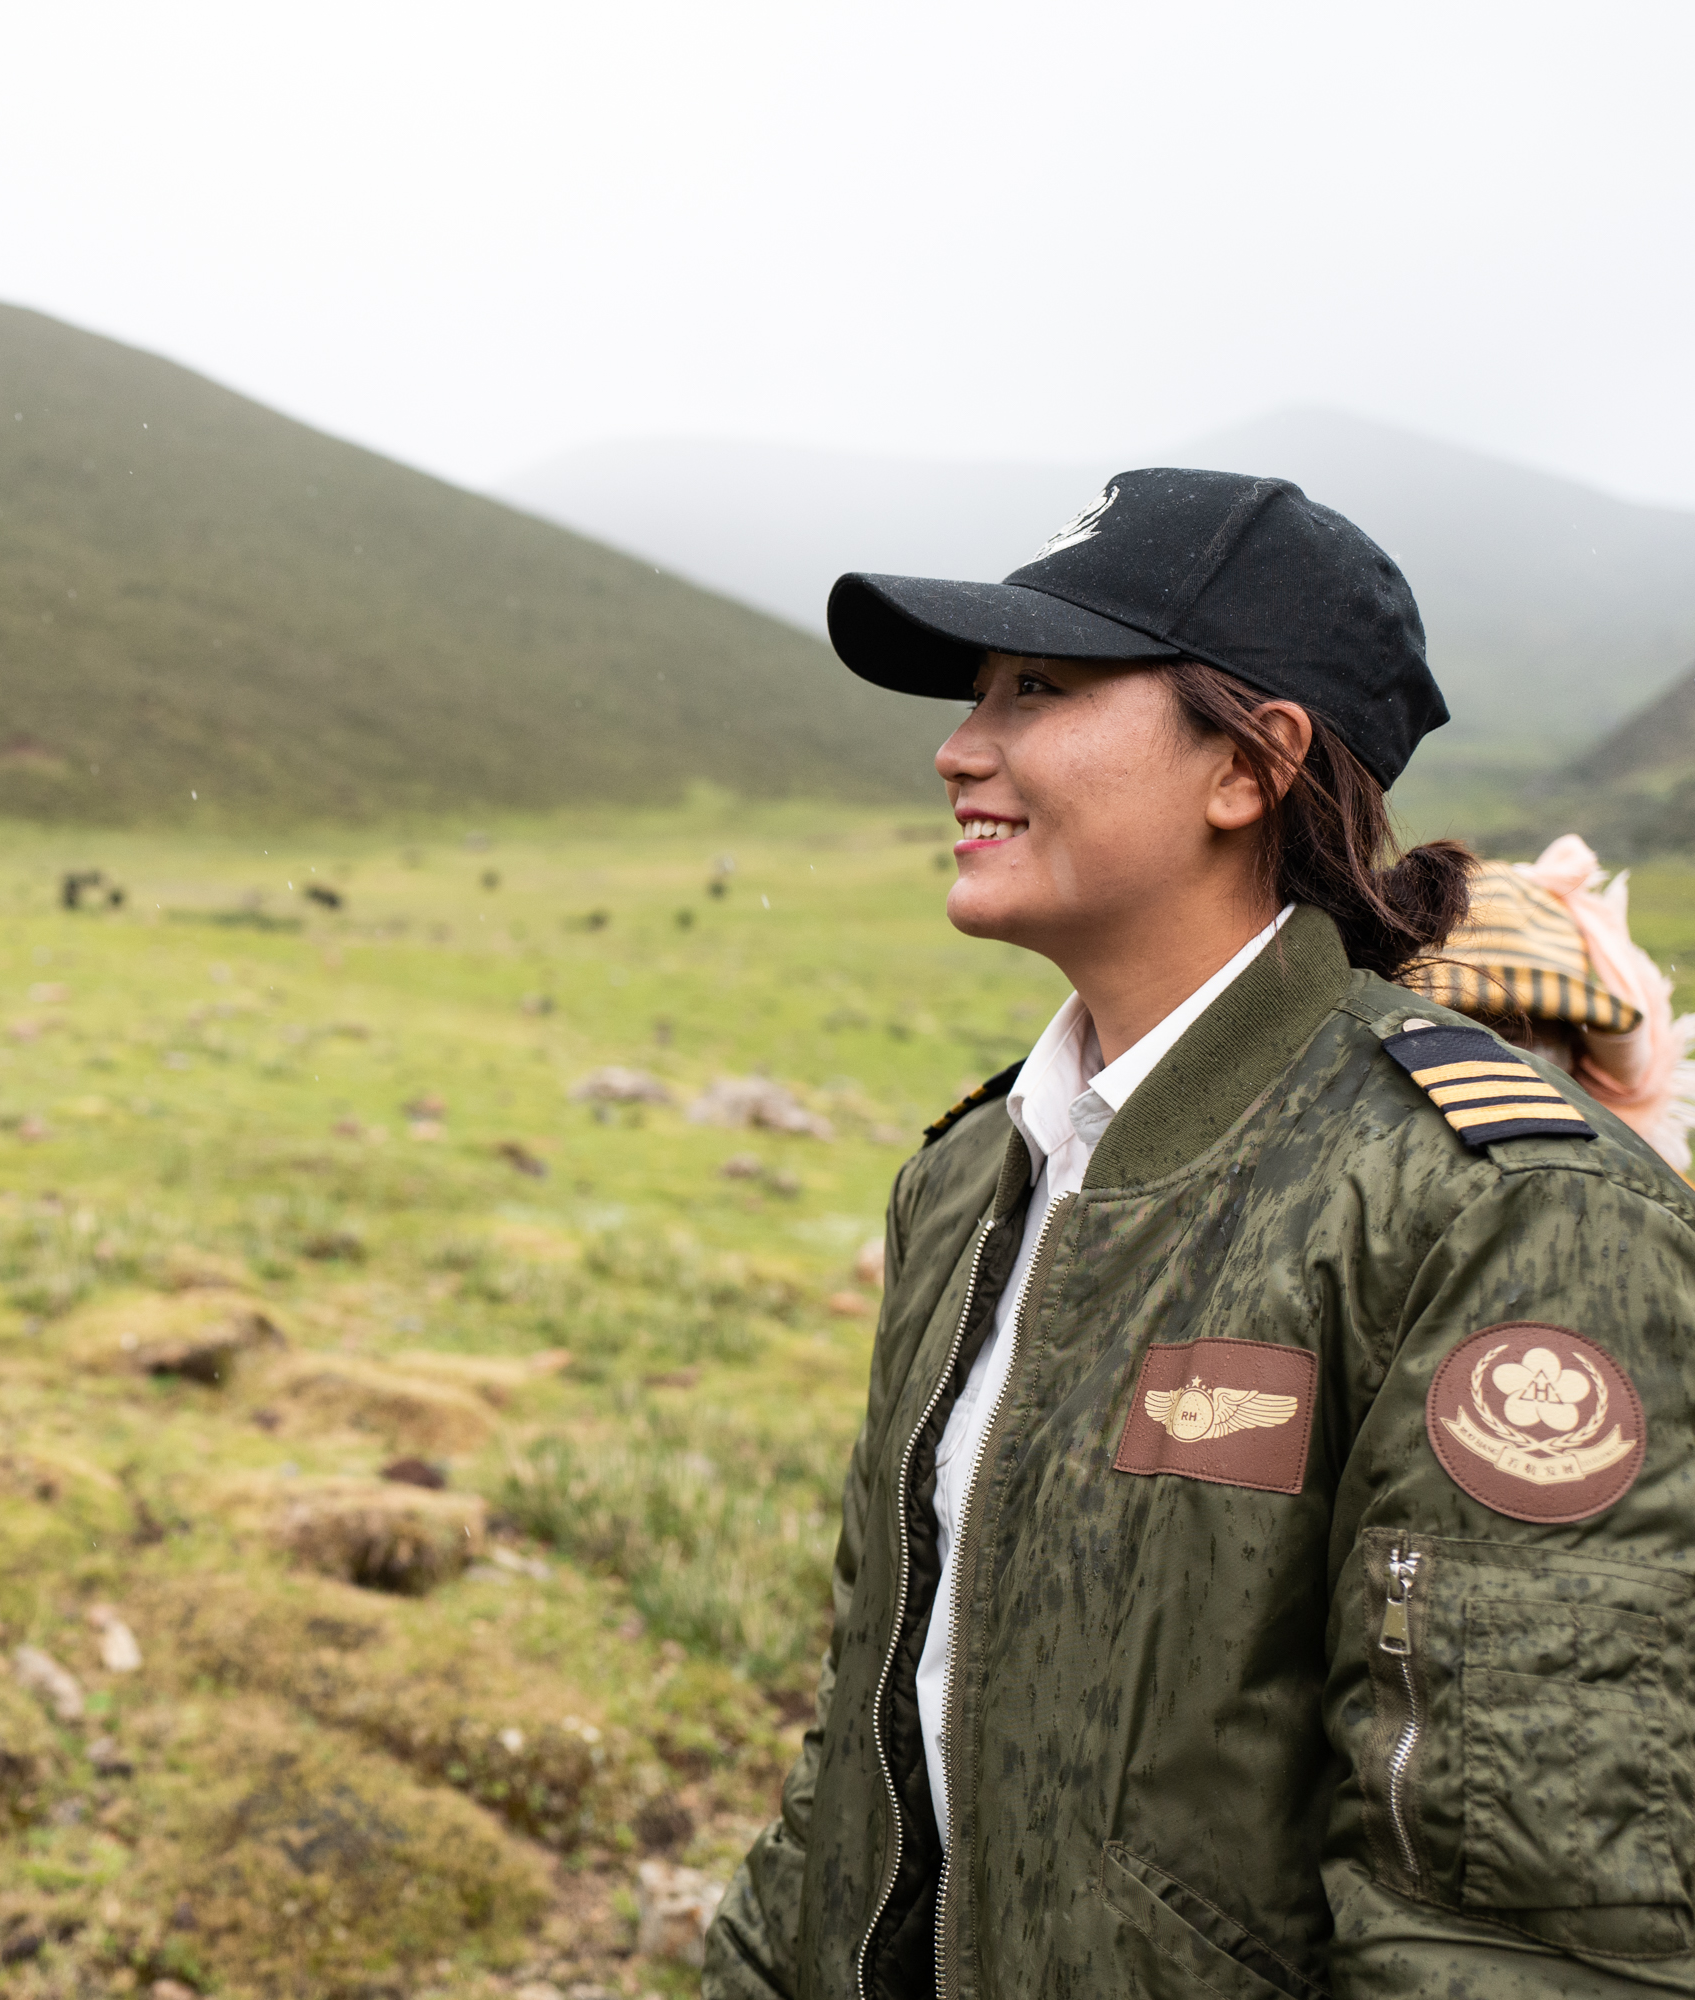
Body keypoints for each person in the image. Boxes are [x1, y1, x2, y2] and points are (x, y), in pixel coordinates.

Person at [702, 469, 1695, 1996]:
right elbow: (864, 1734)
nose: (959, 747)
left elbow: (1516, 1924)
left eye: (1037, 689)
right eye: (977, 694)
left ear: (1249, 765)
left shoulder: (1498, 1207)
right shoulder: (966, 1176)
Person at [1406, 835, 1695, 1172]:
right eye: (1454, 1027)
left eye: (1516, 1034)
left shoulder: (1630, 1189)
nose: (1488, 1059)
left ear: (1574, 1050)